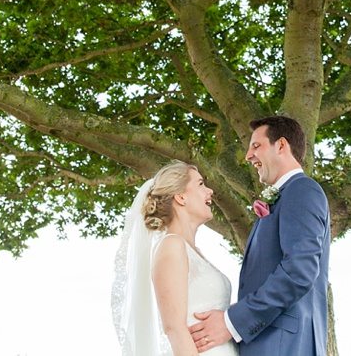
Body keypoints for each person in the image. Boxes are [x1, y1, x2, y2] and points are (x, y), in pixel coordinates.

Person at [188, 116, 331, 355]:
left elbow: (299, 270)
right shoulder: (285, 195)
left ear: (281, 145)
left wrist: (231, 323)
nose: (248, 156)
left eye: (256, 146)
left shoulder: (301, 190)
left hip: (284, 346)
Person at [112, 161, 238, 356]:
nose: (210, 191)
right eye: (201, 184)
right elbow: (175, 329)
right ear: (180, 197)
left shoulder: (193, 251)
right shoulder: (172, 245)